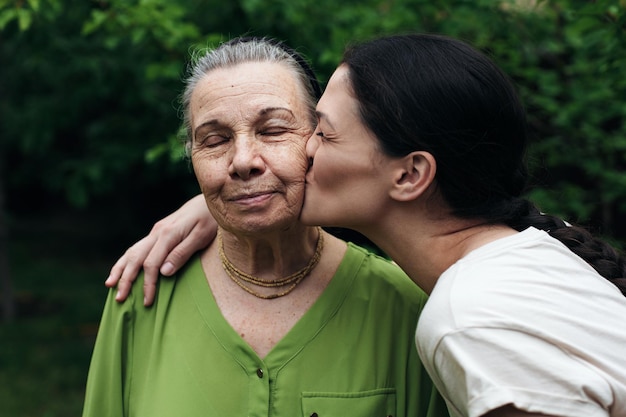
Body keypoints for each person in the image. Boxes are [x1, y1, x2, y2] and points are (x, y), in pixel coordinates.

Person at [106, 34, 626, 417]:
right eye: (214, 140)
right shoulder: (530, 256)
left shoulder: (467, 319)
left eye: (319, 134)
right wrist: (220, 202)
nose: (301, 149)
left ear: (411, 174)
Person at [83, 37, 448, 417]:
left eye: (273, 130)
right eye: (215, 140)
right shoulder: (143, 295)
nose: (242, 161)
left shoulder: (406, 306)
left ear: (317, 141)